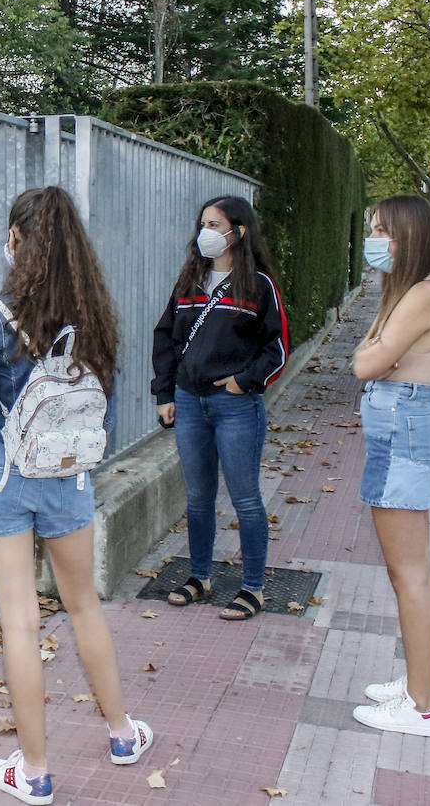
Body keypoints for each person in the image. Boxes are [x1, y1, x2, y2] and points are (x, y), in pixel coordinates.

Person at [0, 186, 153, 805]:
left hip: (2, 478)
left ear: (15, 242)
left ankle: (33, 772)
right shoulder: (91, 317)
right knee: (84, 604)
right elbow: (103, 413)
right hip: (68, 478)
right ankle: (121, 734)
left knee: (20, 620)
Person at [350, 194, 430, 737]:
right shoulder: (419, 291)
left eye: (381, 230)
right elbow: (373, 355)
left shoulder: (424, 293)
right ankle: (426, 683)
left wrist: (375, 348)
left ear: (409, 235)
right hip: (401, 428)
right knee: (410, 572)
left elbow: (364, 361)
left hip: (402, 430)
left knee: (409, 574)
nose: (374, 240)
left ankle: (421, 708)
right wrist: (377, 347)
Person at [151, 195, 288, 621]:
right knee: (197, 497)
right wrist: (166, 394)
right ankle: (200, 577)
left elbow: (278, 346)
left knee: (246, 499)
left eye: (215, 224)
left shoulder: (259, 286)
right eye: (203, 224)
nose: (205, 232)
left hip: (235, 407)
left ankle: (253, 588)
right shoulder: (190, 281)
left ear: (239, 232)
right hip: (190, 404)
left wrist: (242, 382)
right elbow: (165, 337)